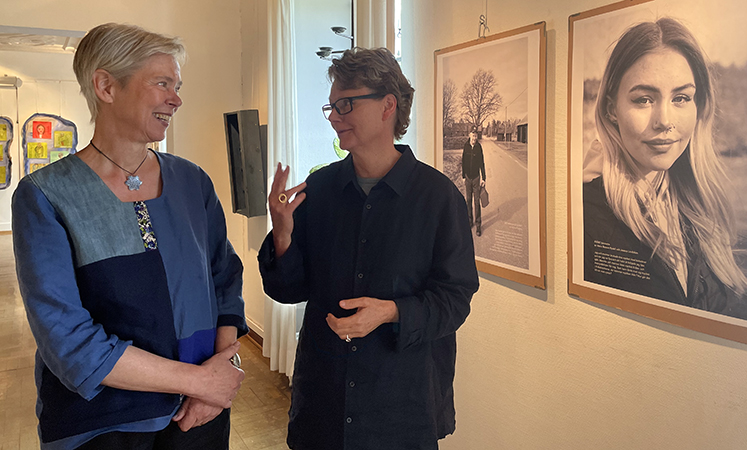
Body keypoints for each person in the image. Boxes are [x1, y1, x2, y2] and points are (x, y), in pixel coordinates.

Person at [12, 23, 247, 449]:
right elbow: (67, 339)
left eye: (177, 86)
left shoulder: (192, 181)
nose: (176, 99)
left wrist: (219, 375)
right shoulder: (46, 196)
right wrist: (199, 381)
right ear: (106, 86)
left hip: (200, 416)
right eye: (162, 83)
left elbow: (224, 280)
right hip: (103, 424)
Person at [258, 47, 479, 449]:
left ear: (387, 106)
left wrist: (392, 312)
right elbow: (287, 291)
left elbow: (455, 299)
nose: (334, 117)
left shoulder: (438, 197)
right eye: (331, 107)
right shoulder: (319, 189)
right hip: (323, 401)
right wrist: (283, 235)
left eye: (346, 104)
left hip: (401, 406)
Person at [583, 17, 747, 319]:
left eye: (681, 98)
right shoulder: (585, 214)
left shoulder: (699, 206)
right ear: (612, 109)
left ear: (698, 106)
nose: (664, 121)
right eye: (643, 99)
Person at [462, 130, 486, 236]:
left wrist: (484, 178)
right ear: (469, 136)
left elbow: (482, 163)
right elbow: (463, 161)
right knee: (468, 200)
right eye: (473, 136)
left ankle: (478, 225)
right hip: (467, 178)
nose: (474, 138)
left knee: (476, 202)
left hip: (476, 178)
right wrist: (463, 176)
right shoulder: (466, 146)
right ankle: (469, 221)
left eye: (475, 136)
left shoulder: (479, 147)